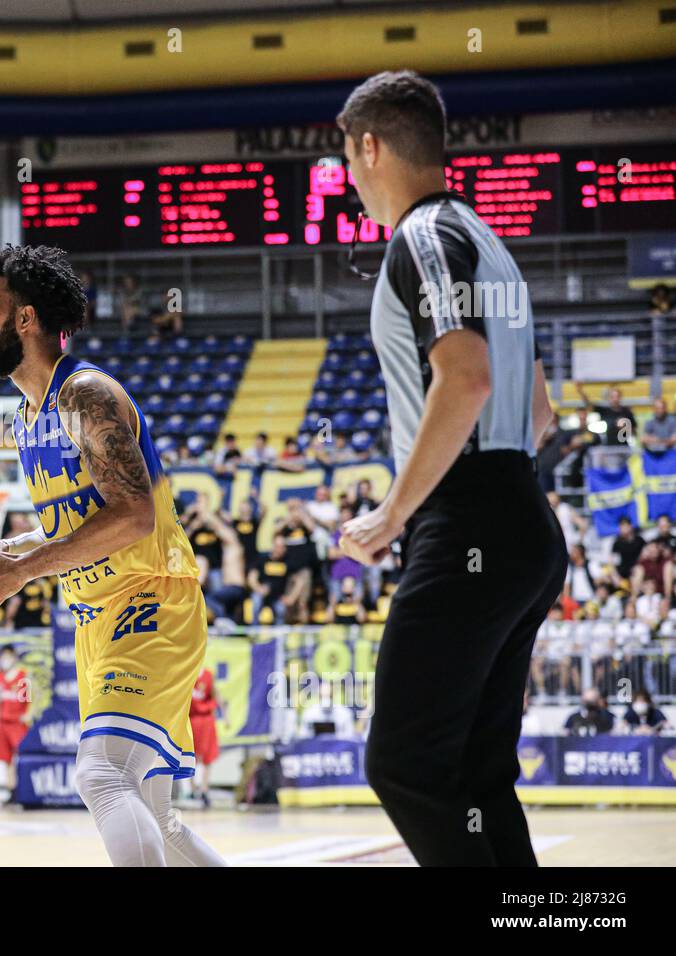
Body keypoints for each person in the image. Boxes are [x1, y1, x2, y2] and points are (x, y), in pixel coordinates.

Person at [334, 70, 567, 866]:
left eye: (350, 160)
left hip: (468, 521)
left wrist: (394, 513)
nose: (353, 181)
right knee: (476, 776)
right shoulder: (491, 245)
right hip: (521, 518)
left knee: (403, 763)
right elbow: (539, 412)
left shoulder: (423, 239)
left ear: (370, 145)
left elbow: (465, 377)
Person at [0, 243, 224, 866]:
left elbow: (133, 514)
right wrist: (4, 550)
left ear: (26, 320)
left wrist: (21, 571)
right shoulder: (26, 416)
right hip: (97, 622)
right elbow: (74, 527)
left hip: (150, 601)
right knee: (159, 817)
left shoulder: (85, 394)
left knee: (100, 775)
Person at [0, 645, 31, 801]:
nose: (5, 660)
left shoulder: (23, 676)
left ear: (14, 658)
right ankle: (11, 790)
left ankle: (21, 789)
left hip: (17, 722)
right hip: (2, 721)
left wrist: (27, 715)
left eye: (8, 656)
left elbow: (29, 699)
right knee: (5, 758)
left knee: (19, 756)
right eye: (3, 657)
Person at [187, 665, 220, 808]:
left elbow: (216, 694)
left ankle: (204, 789)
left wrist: (225, 715)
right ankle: (194, 788)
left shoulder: (207, 674)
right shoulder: (186, 672)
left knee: (206, 757)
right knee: (190, 756)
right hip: (191, 719)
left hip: (206, 720)